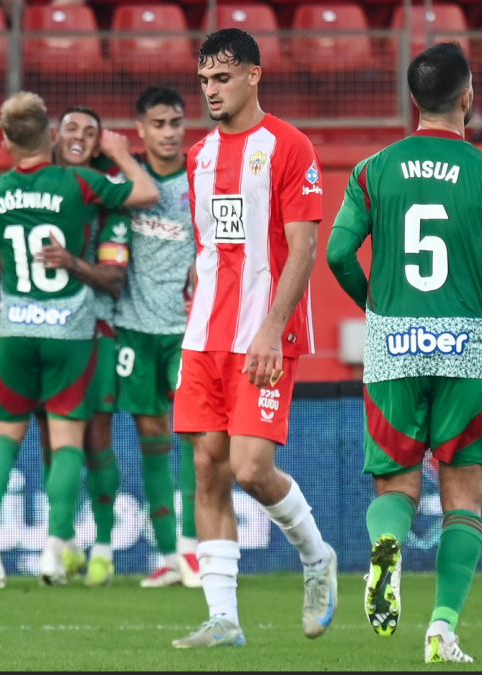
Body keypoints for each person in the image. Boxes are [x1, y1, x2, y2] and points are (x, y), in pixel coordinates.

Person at [328, 43, 482, 664]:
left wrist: (376, 305)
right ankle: (442, 628)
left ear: (414, 100)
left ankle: (386, 549)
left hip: (393, 347)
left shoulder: (372, 169)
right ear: (467, 98)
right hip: (466, 351)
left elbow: (339, 254)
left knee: (395, 485)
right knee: (464, 495)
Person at [0, 93, 157, 588]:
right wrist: (123, 156)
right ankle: (52, 550)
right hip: (68, 332)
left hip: (14, 332)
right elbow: (144, 193)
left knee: (4, 435)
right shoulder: (79, 183)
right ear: (53, 136)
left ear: (3, 141)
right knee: (66, 442)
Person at [170, 28, 337, 649]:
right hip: (205, 336)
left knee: (250, 468)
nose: (212, 91)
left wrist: (271, 327)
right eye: (205, 81)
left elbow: (305, 246)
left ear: (253, 75)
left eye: (223, 78)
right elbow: (214, 250)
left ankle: (317, 559)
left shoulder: (289, 145)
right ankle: (223, 619)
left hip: (265, 334)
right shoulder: (198, 157)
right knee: (208, 466)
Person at [111, 85, 201, 589]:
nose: (169, 133)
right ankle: (168, 552)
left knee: (195, 434)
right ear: (141, 129)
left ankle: (192, 548)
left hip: (187, 330)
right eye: (159, 124)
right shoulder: (123, 182)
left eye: (175, 123)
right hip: (134, 329)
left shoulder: (201, 178)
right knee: (151, 437)